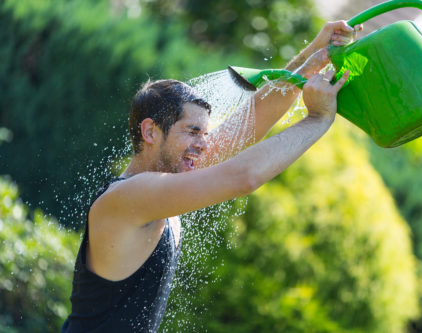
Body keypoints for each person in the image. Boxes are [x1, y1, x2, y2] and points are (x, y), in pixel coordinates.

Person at [62, 21, 362, 333]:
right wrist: (318, 119)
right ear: (150, 131)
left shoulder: (169, 177)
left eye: (205, 133)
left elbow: (244, 130)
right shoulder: (131, 196)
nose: (204, 144)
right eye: (193, 132)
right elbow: (243, 176)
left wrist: (315, 52)